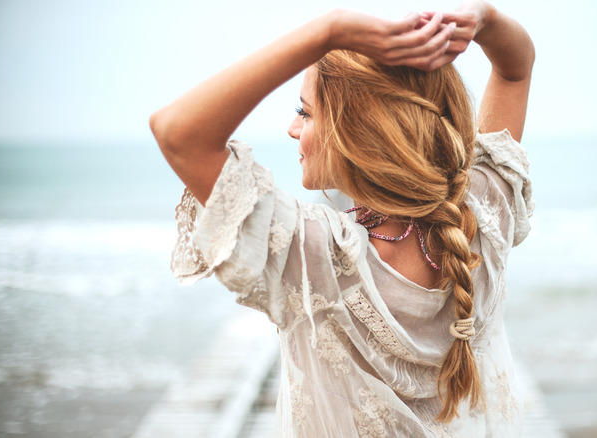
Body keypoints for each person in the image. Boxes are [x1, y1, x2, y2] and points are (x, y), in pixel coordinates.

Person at [150, 0, 534, 435]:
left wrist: (329, 31)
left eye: (304, 112)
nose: (292, 130)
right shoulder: (482, 213)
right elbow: (514, 70)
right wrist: (486, 19)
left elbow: (178, 131)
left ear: (357, 131)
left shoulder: (314, 256)